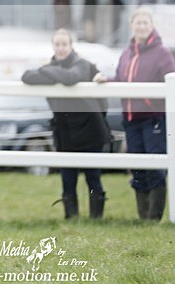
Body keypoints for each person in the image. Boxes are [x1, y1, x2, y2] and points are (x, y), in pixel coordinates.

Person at [94, 7, 175, 221]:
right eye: (138, 23)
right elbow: (123, 81)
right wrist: (107, 81)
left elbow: (172, 83)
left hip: (153, 118)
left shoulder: (162, 53)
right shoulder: (127, 52)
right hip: (131, 120)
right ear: (132, 26)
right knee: (138, 168)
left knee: (155, 167)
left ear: (151, 26)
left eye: (145, 23)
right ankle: (143, 217)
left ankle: (154, 218)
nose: (141, 26)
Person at [22, 29, 110, 219]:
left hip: (89, 130)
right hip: (64, 132)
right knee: (67, 179)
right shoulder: (53, 66)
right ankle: (71, 219)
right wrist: (52, 70)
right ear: (53, 46)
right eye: (57, 44)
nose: (61, 48)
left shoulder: (83, 64)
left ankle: (97, 220)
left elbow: (71, 77)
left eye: (64, 44)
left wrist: (46, 69)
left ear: (71, 46)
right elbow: (27, 76)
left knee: (93, 178)